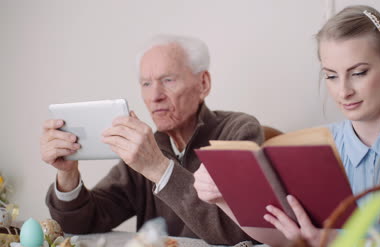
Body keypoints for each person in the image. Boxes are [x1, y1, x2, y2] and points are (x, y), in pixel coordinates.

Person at [194, 5, 380, 246]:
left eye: (359, 73)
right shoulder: (320, 144)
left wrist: (343, 241)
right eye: (331, 76)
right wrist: (224, 199)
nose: (343, 91)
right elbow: (284, 236)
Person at [40, 34, 264, 245]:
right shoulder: (150, 146)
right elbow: (82, 224)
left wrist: (159, 168)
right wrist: (67, 173)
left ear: (203, 83)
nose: (155, 96)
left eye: (168, 80)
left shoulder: (239, 131)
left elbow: (241, 232)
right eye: (146, 83)